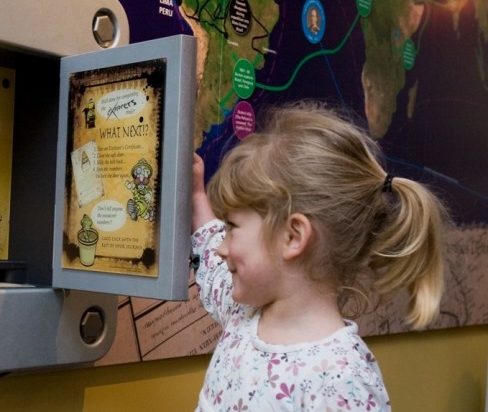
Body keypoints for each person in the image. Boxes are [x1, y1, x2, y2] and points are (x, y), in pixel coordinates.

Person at [190, 101, 449, 411]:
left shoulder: (341, 378)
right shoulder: (242, 314)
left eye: (232, 228)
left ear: (292, 237)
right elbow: (211, 258)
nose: (222, 248)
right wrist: (196, 196)